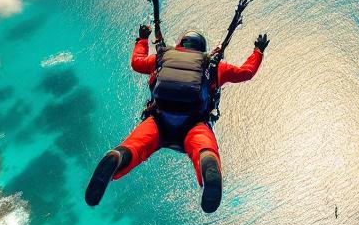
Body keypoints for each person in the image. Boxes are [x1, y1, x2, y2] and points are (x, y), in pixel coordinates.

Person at [85, 24, 268, 213]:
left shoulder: (163, 58)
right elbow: (246, 73)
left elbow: (136, 62)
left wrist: (142, 40)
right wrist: (258, 51)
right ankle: (208, 164)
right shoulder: (213, 66)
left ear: (181, 43)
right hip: (194, 124)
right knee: (204, 149)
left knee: (136, 146)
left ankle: (117, 157)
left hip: (159, 120)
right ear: (201, 48)